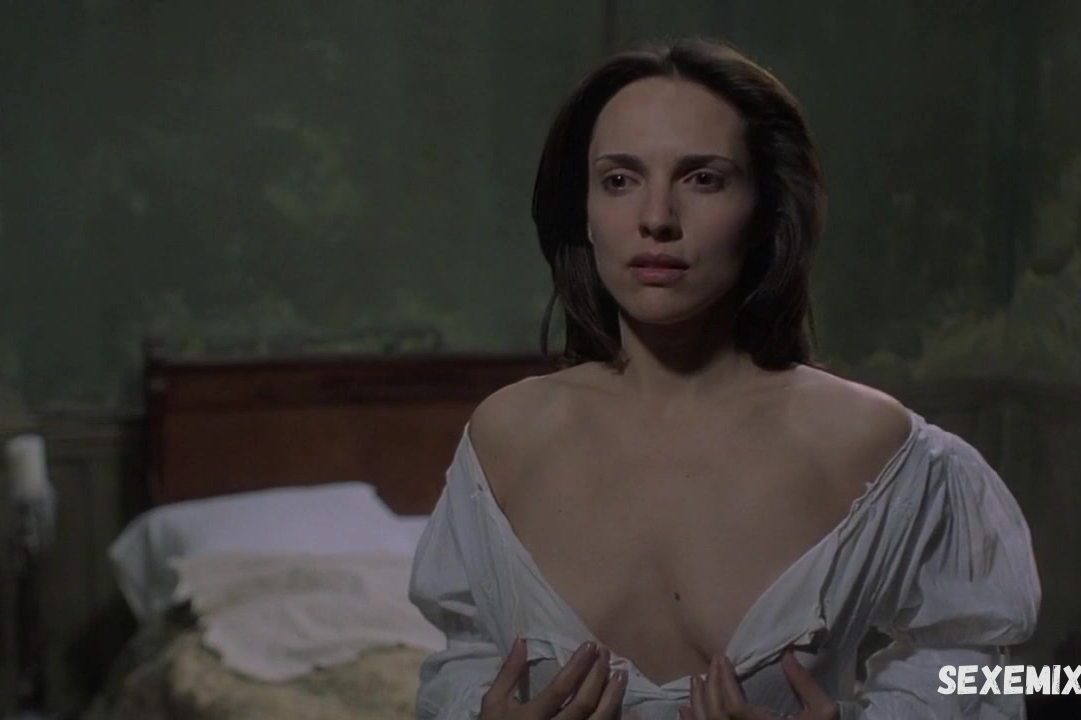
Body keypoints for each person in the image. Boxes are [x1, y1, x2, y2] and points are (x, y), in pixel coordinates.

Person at [409, 37, 1041, 720]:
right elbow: (466, 656)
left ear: (766, 209)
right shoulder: (507, 436)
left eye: (703, 179)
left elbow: (975, 663)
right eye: (619, 180)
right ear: (584, 213)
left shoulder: (870, 444)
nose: (656, 218)